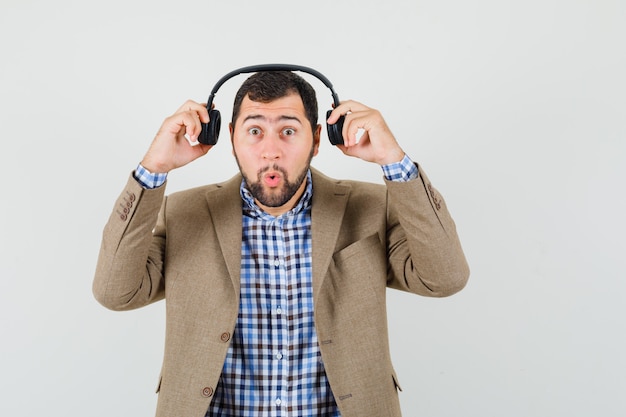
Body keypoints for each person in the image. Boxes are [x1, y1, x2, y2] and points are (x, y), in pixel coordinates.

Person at [93, 69, 469, 417]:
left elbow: (445, 277)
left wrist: (393, 160)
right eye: (254, 131)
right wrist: (152, 171)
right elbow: (115, 292)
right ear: (231, 140)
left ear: (317, 139)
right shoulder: (184, 213)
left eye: (288, 131)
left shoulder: (371, 208)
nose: (270, 150)